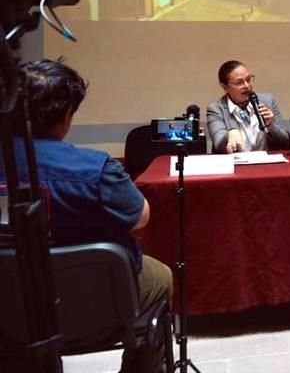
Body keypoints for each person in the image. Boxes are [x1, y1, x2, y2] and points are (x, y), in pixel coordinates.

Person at [0, 59, 172, 372]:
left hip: (9, 310)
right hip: (93, 308)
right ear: (66, 116)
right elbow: (141, 217)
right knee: (161, 277)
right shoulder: (95, 167)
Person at [206, 60, 290, 153]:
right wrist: (230, 133)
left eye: (248, 79)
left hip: (267, 163)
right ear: (225, 87)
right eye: (239, 83)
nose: (247, 86)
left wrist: (271, 126)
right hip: (237, 164)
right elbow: (218, 144)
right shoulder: (216, 109)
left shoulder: (268, 101)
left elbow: (287, 143)